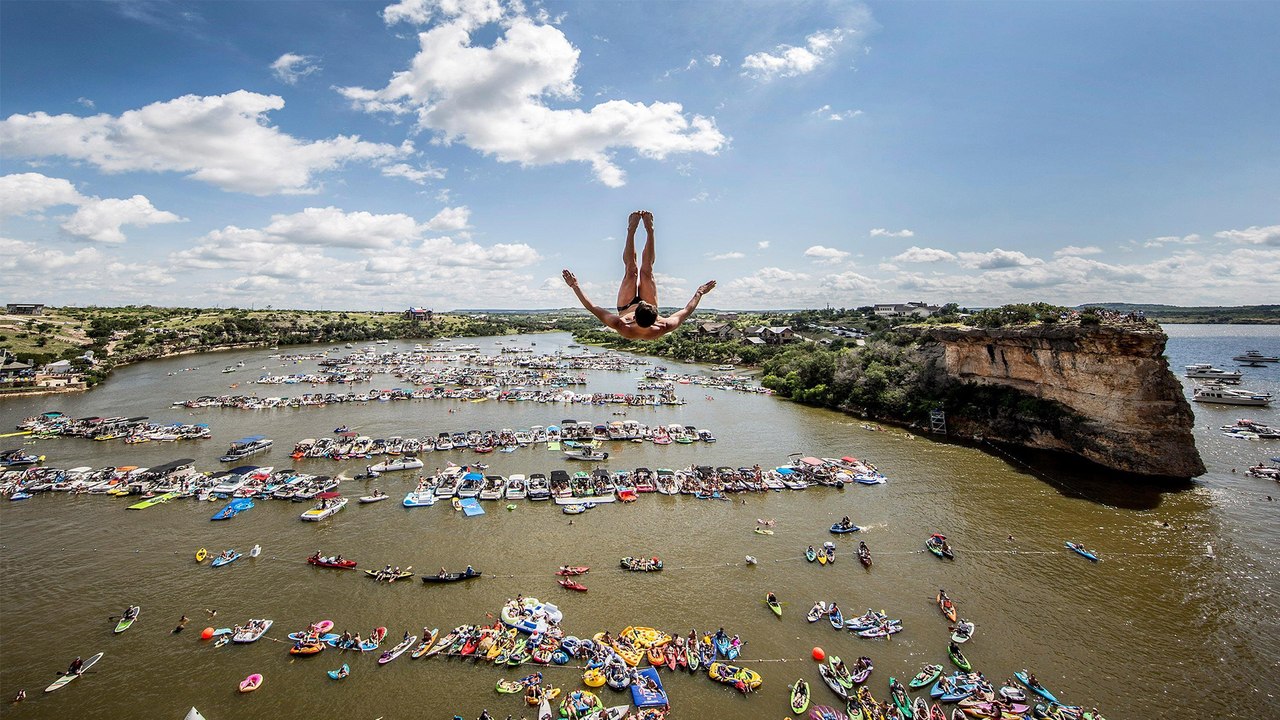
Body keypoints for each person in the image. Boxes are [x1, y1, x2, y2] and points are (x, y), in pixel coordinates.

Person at [563, 210, 716, 339]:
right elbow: (686, 311)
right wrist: (699, 293)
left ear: (634, 316)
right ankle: (650, 231)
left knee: (631, 271)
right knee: (647, 271)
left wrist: (575, 286)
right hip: (645, 310)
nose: (642, 300)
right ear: (656, 315)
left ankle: (631, 231)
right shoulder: (664, 325)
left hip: (625, 306)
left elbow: (592, 307)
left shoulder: (622, 325)